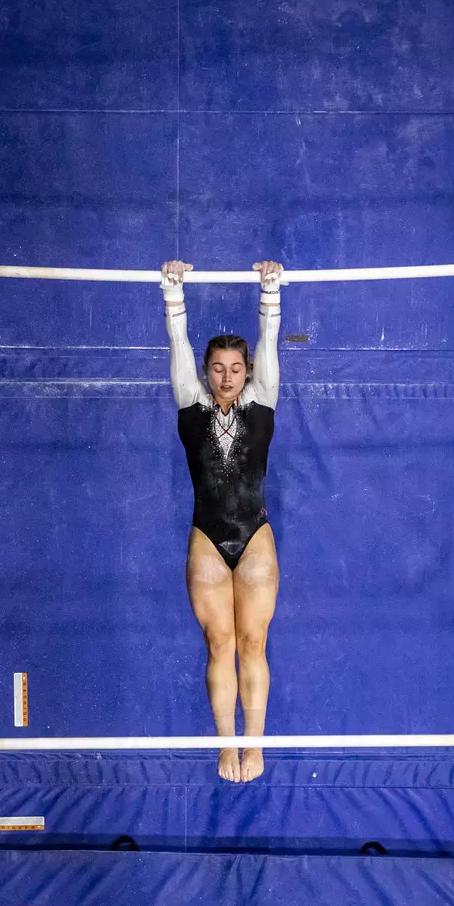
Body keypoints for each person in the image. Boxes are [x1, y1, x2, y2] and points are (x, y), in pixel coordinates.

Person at [161, 259, 283, 782]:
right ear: (206, 372)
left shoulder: (264, 400)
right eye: (218, 368)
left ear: (249, 371)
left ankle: (253, 746)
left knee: (253, 643)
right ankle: (226, 745)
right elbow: (178, 346)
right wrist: (173, 293)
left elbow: (270, 339)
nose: (227, 377)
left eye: (236, 368)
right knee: (220, 644)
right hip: (207, 540)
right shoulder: (190, 403)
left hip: (254, 539)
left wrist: (270, 291)